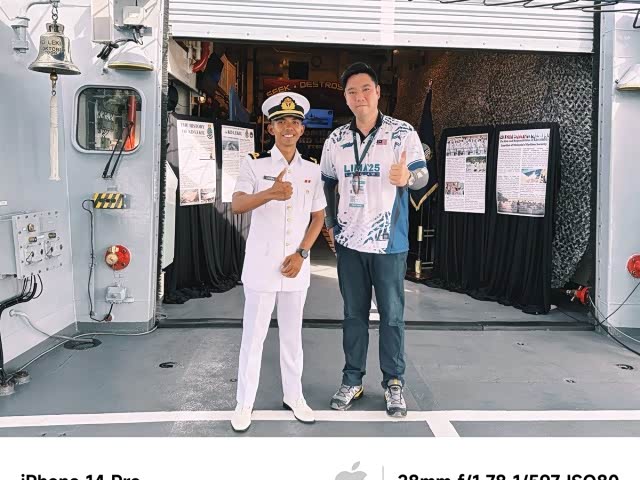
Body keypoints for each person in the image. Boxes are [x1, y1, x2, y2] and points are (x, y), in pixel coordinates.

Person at [320, 62, 430, 417]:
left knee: (392, 316)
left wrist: (406, 178)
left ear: (378, 92)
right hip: (350, 243)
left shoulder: (402, 133)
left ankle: (393, 382)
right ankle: (352, 379)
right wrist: (331, 225)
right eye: (352, 92)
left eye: (366, 89)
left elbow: (423, 177)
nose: (359, 97)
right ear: (346, 98)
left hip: (388, 243)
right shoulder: (336, 139)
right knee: (353, 315)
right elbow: (326, 184)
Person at [230, 92, 326, 432]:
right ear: (270, 128)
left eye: (295, 122)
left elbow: (318, 217)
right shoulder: (254, 164)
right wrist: (270, 193)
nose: (289, 127)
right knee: (253, 337)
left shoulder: (312, 169)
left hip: (295, 267)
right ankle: (244, 402)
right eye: (281, 121)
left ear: (302, 129)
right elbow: (237, 205)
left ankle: (294, 396)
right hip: (261, 267)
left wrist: (302, 254)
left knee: (292, 338)